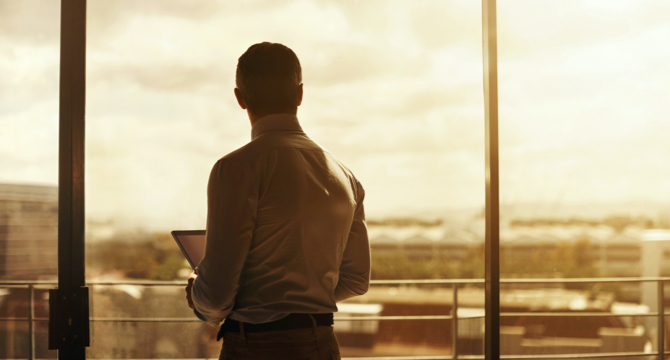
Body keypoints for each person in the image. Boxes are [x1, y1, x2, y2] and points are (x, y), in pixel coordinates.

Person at [185, 42, 370, 360]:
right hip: (323, 345)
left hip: (257, 347)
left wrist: (195, 289)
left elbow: (215, 299)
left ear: (239, 98)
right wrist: (302, 301)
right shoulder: (346, 177)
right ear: (300, 94)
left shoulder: (236, 168)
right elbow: (355, 280)